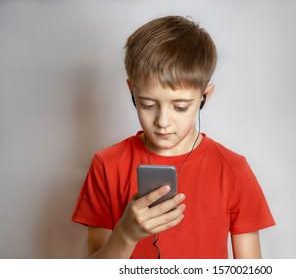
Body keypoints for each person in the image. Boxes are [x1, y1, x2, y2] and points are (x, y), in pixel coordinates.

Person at [72, 15, 275, 259]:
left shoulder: (233, 169)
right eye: (147, 104)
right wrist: (125, 235)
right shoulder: (107, 165)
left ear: (204, 97)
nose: (163, 122)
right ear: (132, 92)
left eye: (180, 107)